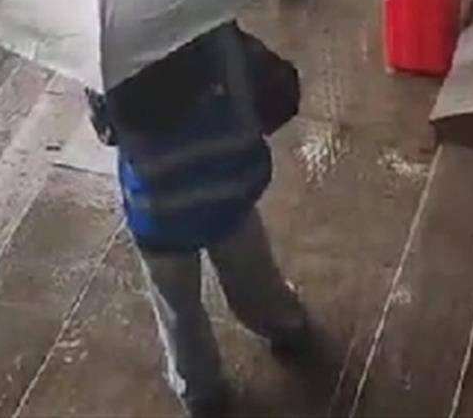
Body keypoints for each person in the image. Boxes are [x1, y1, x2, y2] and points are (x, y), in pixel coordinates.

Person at [89, 22, 309, 417]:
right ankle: (283, 323)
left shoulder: (102, 54)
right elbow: (266, 88)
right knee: (252, 273)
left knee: (177, 307)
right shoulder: (210, 25)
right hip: (226, 184)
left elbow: (107, 132)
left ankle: (200, 390)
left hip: (157, 207)